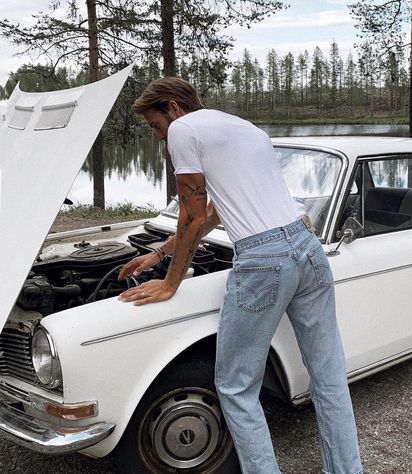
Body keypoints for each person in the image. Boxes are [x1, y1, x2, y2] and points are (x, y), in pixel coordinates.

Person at [118, 77, 363, 474]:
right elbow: (217, 208)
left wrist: (170, 282)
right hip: (307, 248)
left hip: (264, 261)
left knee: (235, 387)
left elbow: (193, 213)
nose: (159, 136)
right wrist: (160, 252)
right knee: (329, 379)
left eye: (155, 126)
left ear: (172, 108)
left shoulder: (182, 130)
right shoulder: (244, 128)